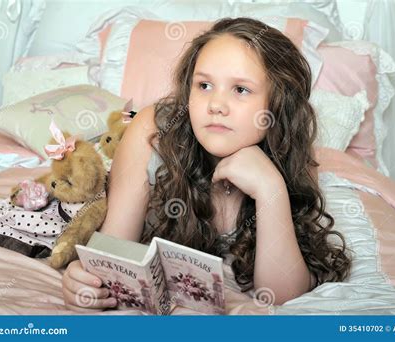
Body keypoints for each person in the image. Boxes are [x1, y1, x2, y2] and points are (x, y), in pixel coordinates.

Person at [61, 17, 351, 312]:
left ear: (278, 104)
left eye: (240, 90)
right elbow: (112, 251)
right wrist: (84, 280)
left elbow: (279, 296)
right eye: (204, 85)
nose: (216, 105)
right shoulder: (151, 133)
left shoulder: (292, 154)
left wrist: (269, 187)